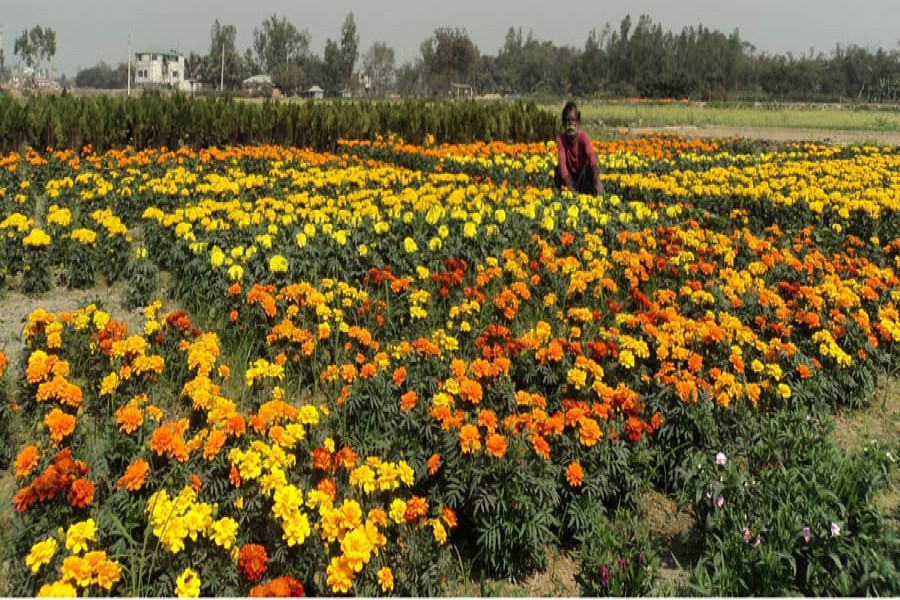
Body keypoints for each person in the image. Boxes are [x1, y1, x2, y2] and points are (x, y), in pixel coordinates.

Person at [553, 100, 604, 196]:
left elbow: (591, 157)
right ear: (564, 123)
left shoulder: (583, 137)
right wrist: (570, 189)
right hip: (570, 178)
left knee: (590, 168)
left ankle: (592, 194)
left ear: (578, 122)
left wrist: (597, 180)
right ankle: (561, 195)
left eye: (573, 120)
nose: (570, 124)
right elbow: (562, 163)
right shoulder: (561, 139)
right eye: (567, 120)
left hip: (583, 177)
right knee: (558, 170)